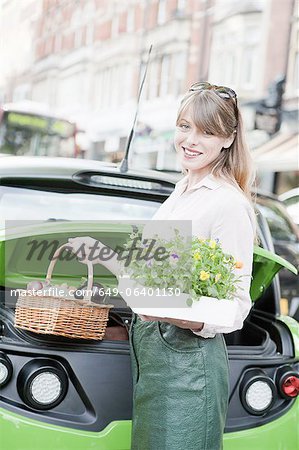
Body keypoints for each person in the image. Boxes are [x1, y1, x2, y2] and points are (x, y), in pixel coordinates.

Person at [68, 81, 256, 450]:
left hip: (188, 371)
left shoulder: (228, 204)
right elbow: (151, 277)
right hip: (154, 364)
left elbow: (235, 305)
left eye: (207, 132)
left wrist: (175, 312)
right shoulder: (180, 191)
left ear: (229, 139)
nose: (191, 140)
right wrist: (104, 257)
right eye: (185, 127)